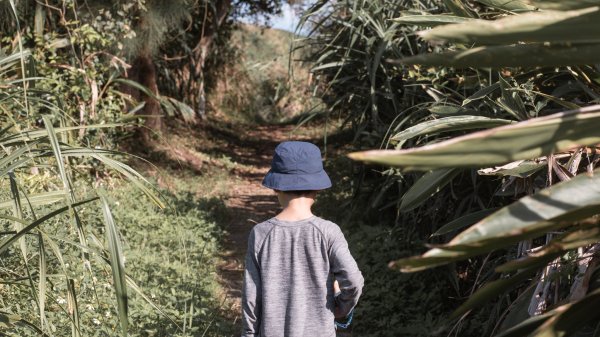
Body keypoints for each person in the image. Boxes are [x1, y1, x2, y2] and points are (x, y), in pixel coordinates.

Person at [241, 141, 364, 337]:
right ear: (318, 189)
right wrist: (341, 307)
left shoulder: (260, 233)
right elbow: (354, 281)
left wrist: (249, 334)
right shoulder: (329, 232)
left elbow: (251, 298)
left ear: (275, 187)